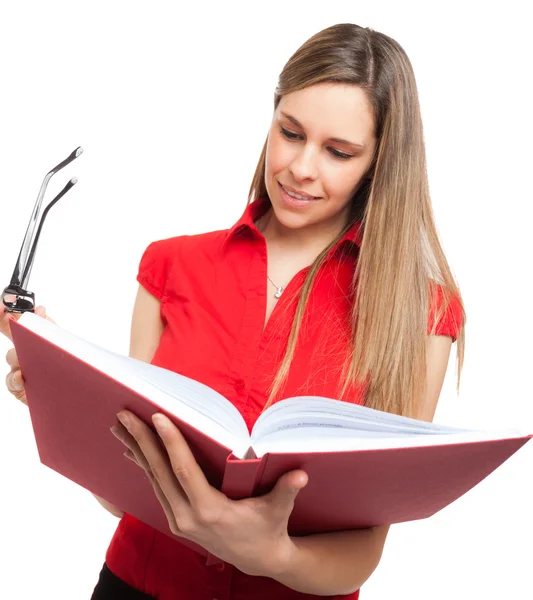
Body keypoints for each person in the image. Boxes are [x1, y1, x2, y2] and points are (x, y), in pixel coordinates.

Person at [2, 22, 464, 600]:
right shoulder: (172, 266)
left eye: (339, 152)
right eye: (290, 132)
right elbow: (122, 496)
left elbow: (364, 552)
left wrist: (275, 556)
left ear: (378, 163)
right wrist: (61, 395)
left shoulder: (419, 315)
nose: (301, 168)